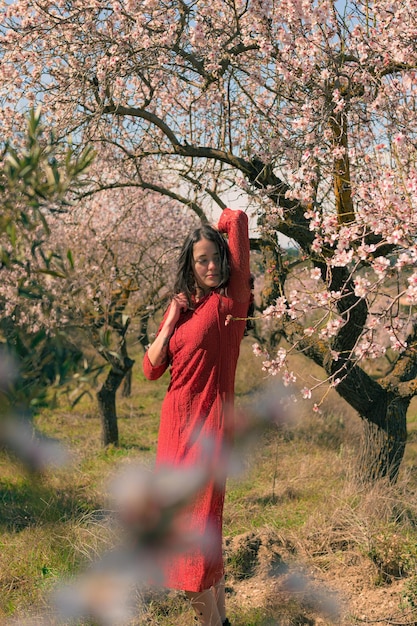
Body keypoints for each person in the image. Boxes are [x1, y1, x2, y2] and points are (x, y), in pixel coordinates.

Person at [142, 207, 251, 626]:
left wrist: (216, 231)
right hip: (174, 436)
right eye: (201, 259)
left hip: (208, 436)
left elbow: (237, 219)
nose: (210, 266)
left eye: (216, 258)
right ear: (190, 265)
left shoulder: (231, 301)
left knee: (191, 544)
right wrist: (170, 322)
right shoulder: (185, 310)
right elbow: (151, 369)